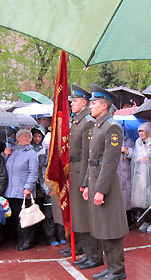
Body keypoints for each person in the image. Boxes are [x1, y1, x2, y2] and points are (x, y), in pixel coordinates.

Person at [82, 84, 129, 280]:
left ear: (104, 106)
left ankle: (117, 269)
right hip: (95, 181)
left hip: (106, 184)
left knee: (111, 228)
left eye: (93, 103)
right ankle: (110, 266)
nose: (90, 106)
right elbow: (91, 159)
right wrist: (86, 184)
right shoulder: (98, 126)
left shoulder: (112, 127)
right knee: (102, 226)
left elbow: (110, 162)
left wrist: (100, 190)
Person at [63, 85, 103, 269]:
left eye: (75, 101)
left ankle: (94, 254)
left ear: (85, 102)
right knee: (79, 216)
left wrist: (86, 179)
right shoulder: (77, 121)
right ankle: (87, 252)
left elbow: (89, 154)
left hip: (83, 171)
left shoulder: (87, 121)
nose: (72, 104)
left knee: (87, 216)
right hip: (75, 170)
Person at [3, 128, 39, 251]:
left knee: (26, 217)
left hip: (24, 190)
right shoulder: (11, 151)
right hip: (11, 190)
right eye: (25, 136)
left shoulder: (31, 153)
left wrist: (28, 187)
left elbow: (33, 172)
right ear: (18, 138)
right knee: (15, 217)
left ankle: (28, 241)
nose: (28, 138)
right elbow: (3, 168)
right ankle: (20, 240)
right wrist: (5, 155)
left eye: (29, 136)